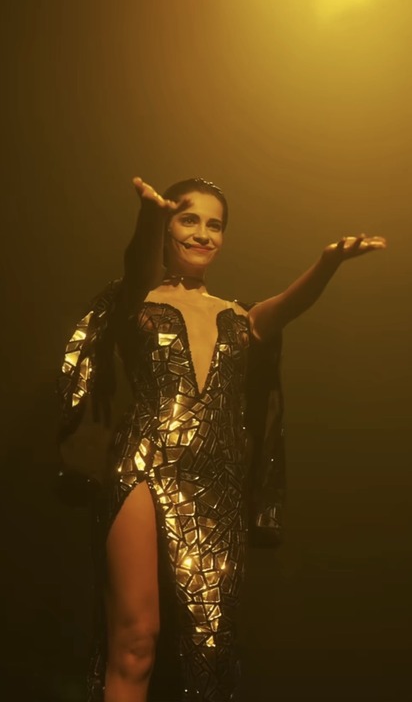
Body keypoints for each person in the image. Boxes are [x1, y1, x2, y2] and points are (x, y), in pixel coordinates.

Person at [58, 176, 386, 702]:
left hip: (217, 484)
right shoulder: (139, 299)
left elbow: (290, 306)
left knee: (211, 650)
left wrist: (328, 263)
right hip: (143, 464)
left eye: (215, 225)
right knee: (136, 641)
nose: (202, 233)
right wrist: (148, 217)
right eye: (188, 219)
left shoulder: (239, 318)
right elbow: (137, 262)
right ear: (167, 228)